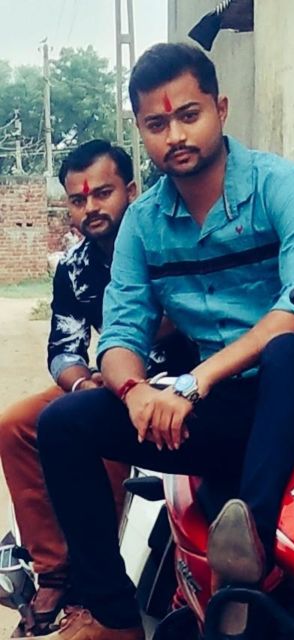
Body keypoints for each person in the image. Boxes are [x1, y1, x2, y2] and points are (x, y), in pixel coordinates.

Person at [36, 43, 294, 640]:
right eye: (156, 124)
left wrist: (194, 383)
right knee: (64, 423)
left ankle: (245, 559)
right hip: (231, 414)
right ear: (142, 131)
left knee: (287, 350)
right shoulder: (143, 224)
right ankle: (115, 619)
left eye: (189, 115)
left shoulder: (281, 186)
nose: (175, 135)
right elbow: (120, 334)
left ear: (221, 109)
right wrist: (136, 391)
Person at [0, 139, 195, 637]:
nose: (90, 208)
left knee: (93, 430)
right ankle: (55, 572)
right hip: (107, 381)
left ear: (131, 190)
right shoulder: (74, 266)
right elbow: (64, 347)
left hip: (180, 383)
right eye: (77, 199)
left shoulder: (170, 243)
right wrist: (83, 381)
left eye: (102, 194)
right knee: (15, 425)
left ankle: (100, 588)